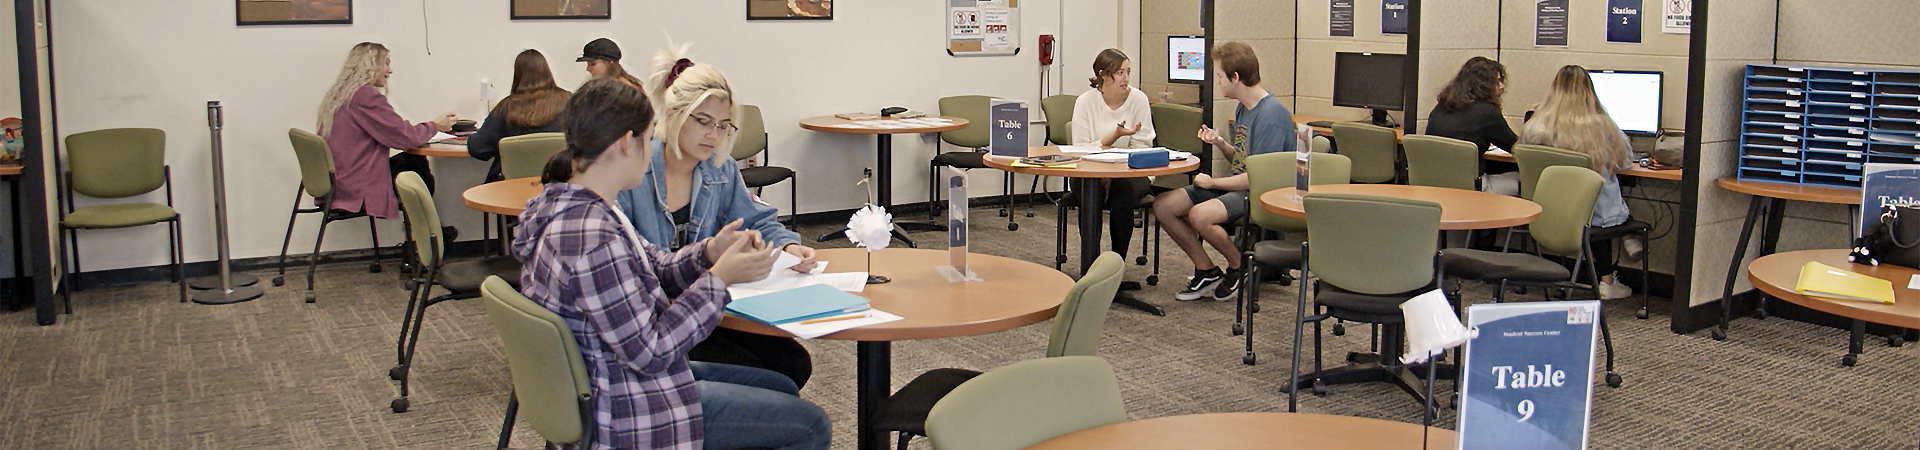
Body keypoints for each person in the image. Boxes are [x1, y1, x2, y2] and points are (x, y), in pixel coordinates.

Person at [512, 79, 831, 450]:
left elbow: (656, 264)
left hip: (606, 377)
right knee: (811, 425)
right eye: (647, 138)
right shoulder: (594, 238)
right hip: (626, 407)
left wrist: (710, 251)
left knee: (781, 384)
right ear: (624, 143)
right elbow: (652, 352)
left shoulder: (578, 207)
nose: (651, 150)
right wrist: (718, 279)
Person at [614, 44, 819, 388]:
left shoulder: (719, 169)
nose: (714, 135)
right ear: (673, 114)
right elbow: (635, 263)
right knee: (769, 378)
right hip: (662, 322)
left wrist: (786, 247)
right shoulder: (635, 171)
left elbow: (758, 221)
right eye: (703, 122)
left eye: (724, 126)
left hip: (710, 307)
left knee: (793, 363)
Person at [1151, 41, 1295, 302]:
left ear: (1235, 77)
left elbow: (1258, 178)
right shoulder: (1243, 107)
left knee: (1200, 215)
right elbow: (1242, 161)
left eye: (1219, 76)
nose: (1217, 82)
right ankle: (1206, 270)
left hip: (1259, 193)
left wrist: (1212, 182)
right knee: (1163, 205)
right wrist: (1220, 143)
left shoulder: (1271, 116)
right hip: (1238, 184)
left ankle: (1239, 265)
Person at [1518, 65, 1636, 300]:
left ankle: (1624, 247)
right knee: (1601, 202)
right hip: (1593, 216)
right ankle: (1610, 275)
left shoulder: (1536, 125)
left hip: (1547, 210)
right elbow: (1625, 162)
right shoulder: (1603, 126)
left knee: (1595, 206)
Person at [316, 42, 455, 222]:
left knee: (408, 162)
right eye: (386, 63)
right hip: (355, 184)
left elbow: (395, 131)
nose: (389, 71)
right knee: (414, 164)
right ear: (371, 66)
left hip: (339, 179)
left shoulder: (340, 95)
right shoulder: (365, 97)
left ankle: (424, 235)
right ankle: (426, 235)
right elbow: (406, 138)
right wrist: (436, 125)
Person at [1071, 48, 1156, 267]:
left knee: (1123, 193)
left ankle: (1115, 266)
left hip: (1131, 170)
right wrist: (1112, 138)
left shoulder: (1138, 99)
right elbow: (1080, 149)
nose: (1125, 78)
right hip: (1090, 169)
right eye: (1119, 73)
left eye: (1127, 71)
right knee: (1090, 192)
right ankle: (1090, 265)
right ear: (1103, 75)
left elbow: (1142, 146)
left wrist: (1114, 169)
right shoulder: (1085, 102)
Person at [468, 49, 570, 182]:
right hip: (559, 187)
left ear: (518, 75)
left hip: (508, 191)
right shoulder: (569, 101)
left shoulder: (506, 107)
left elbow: (478, 149)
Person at [1424, 56, 1520, 192]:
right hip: (1470, 189)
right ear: (1483, 85)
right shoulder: (1487, 113)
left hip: (1434, 186)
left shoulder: (1441, 107)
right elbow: (1517, 148)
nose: (1502, 86)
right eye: (1497, 81)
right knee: (1524, 180)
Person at [578, 37, 646, 90]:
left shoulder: (628, 91)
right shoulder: (595, 88)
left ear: (609, 62)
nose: (588, 69)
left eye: (593, 64)